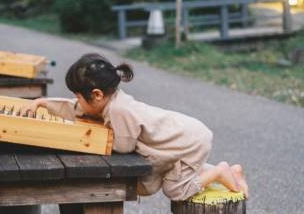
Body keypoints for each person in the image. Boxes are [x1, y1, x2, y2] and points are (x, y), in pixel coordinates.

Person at [20, 53, 248, 200]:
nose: (76, 102)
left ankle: (220, 172)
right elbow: (74, 109)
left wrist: (94, 135)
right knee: (180, 173)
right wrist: (44, 104)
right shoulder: (109, 102)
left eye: (77, 96)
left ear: (97, 95)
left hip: (188, 140)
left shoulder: (120, 111)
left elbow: (123, 146)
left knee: (175, 190)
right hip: (185, 135)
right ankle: (233, 172)